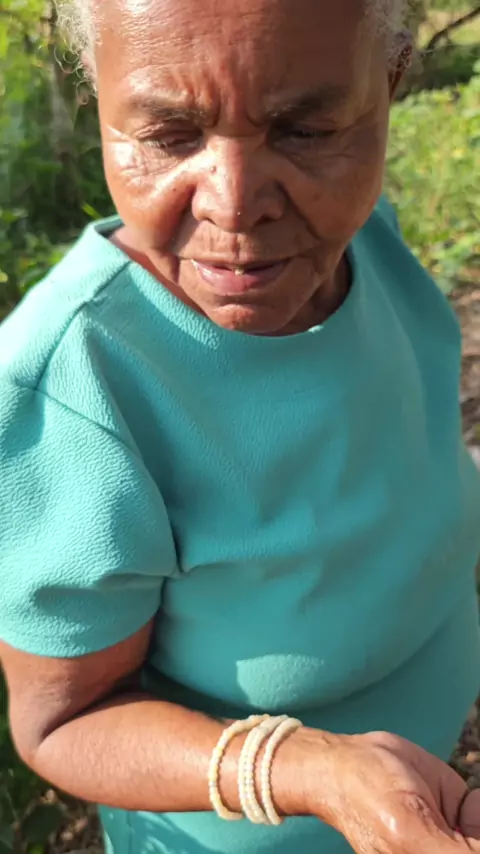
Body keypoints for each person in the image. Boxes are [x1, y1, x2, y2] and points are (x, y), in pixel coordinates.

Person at [0, 0, 479, 851]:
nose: (236, 205)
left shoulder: (367, 239)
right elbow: (64, 721)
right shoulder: (78, 384)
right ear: (98, 96)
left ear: (391, 79)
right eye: (168, 136)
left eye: (305, 129)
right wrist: (308, 770)